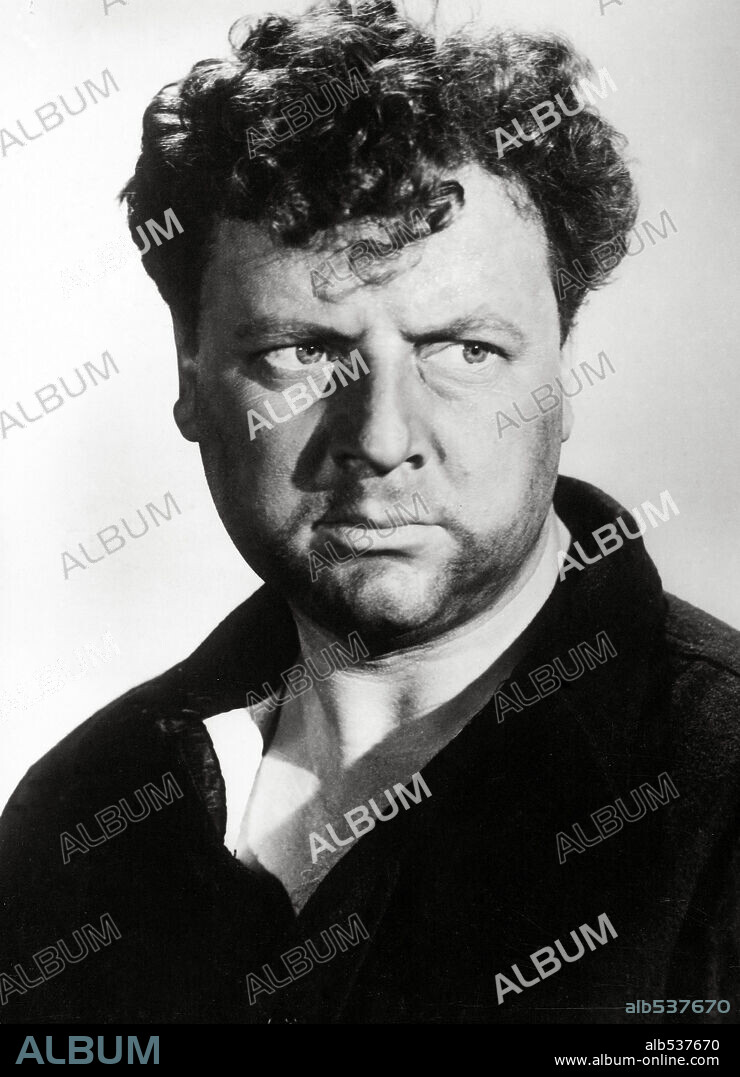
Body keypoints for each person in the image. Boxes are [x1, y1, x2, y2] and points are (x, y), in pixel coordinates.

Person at [1, 0, 737, 1025]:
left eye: (464, 349)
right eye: (301, 351)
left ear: (561, 377)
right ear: (190, 379)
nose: (383, 436)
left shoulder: (721, 790)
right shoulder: (82, 805)